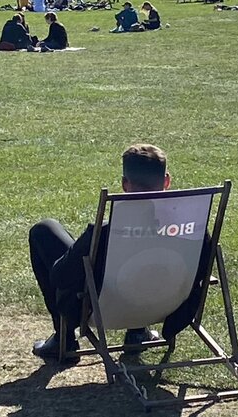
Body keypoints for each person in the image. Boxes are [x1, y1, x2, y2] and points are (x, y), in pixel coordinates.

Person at [29, 144, 210, 360]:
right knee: (145, 264)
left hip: (104, 309)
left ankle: (64, 338)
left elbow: (60, 276)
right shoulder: (193, 232)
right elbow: (201, 273)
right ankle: (138, 332)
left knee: (44, 230)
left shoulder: (106, 233)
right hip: (167, 306)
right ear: (166, 181)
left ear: (125, 184)